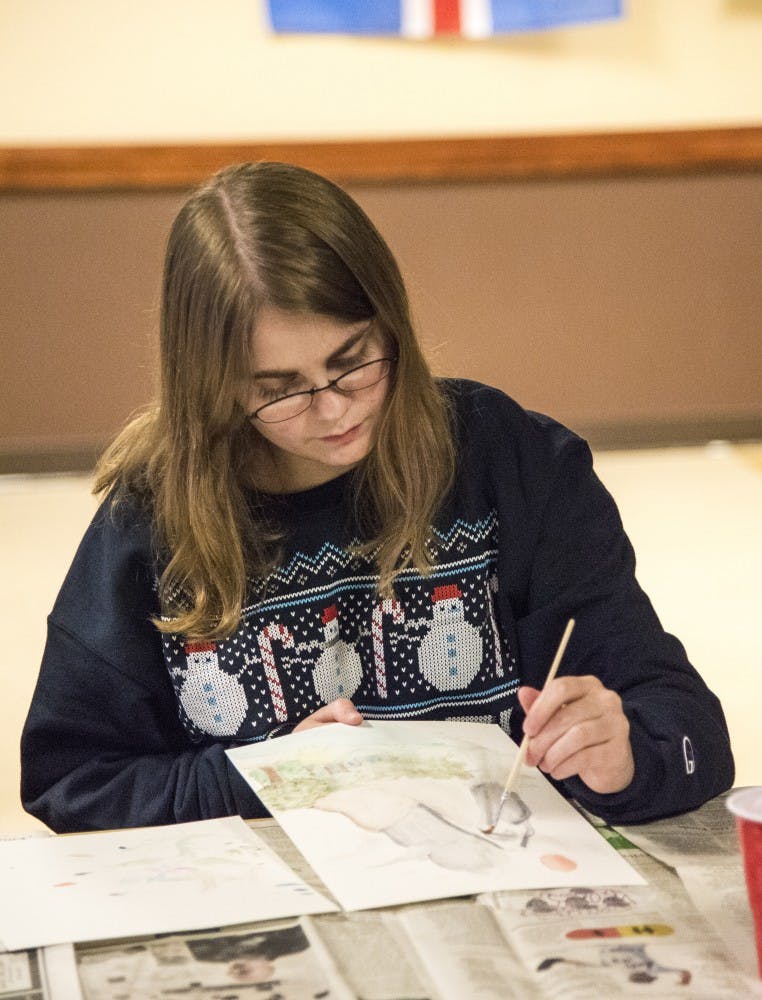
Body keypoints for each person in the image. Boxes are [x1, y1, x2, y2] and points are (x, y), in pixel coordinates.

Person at [21, 162, 734, 834]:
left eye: (353, 361)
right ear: (211, 385)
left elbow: (690, 727)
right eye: (279, 390)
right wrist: (264, 779)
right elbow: (73, 781)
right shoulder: (151, 521)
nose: (333, 411)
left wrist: (630, 755)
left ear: (393, 321)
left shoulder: (509, 460)